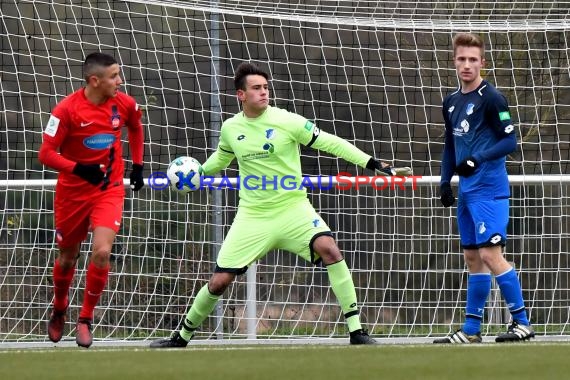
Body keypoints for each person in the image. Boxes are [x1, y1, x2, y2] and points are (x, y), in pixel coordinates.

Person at [150, 62, 394, 347]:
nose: (264, 93)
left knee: (330, 249)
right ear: (241, 95)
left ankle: (357, 331)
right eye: (256, 88)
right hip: (253, 215)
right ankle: (180, 337)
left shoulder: (287, 120)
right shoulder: (231, 128)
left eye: (266, 88)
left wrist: (370, 162)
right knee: (218, 282)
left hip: (293, 208)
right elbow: (221, 158)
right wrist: (197, 173)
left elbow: (330, 142)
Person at [38, 52, 145, 348]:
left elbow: (135, 126)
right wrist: (79, 168)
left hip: (107, 189)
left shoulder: (124, 104)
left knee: (101, 252)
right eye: (114, 76)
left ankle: (85, 319)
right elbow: (45, 154)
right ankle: (59, 308)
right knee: (67, 257)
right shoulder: (65, 111)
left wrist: (137, 164)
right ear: (94, 80)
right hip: (72, 193)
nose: (119, 81)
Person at [434, 33, 534, 344]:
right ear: (454, 62)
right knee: (472, 259)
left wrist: (478, 158)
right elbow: (450, 147)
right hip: (466, 192)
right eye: (462, 59)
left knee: (491, 255)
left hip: (490, 190)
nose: (467, 65)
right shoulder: (451, 102)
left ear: (482, 63)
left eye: (473, 60)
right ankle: (471, 330)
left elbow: (509, 141)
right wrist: (444, 182)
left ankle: (522, 323)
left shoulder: (492, 98)